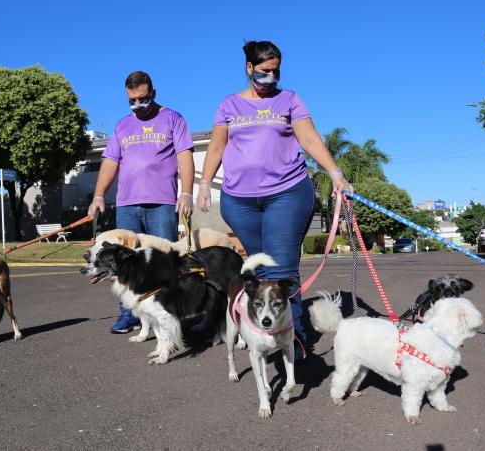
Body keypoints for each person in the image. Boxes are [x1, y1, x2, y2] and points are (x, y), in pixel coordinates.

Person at [196, 41, 352, 360]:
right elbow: (215, 147)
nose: (272, 77)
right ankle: (266, 332)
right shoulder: (229, 105)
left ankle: (293, 338)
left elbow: (308, 137)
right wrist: (203, 185)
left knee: (280, 268)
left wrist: (334, 172)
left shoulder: (289, 100)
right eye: (265, 71)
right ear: (249, 68)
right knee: (260, 270)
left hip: (287, 193)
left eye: (276, 71)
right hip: (239, 201)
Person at [89, 70, 194, 333]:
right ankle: (129, 314)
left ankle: (169, 315)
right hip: (127, 205)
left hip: (161, 204)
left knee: (163, 263)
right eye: (132, 100)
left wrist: (187, 192)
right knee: (124, 264)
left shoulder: (173, 118)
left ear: (153, 93)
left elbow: (184, 156)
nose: (138, 105)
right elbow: (110, 162)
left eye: (143, 98)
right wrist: (99, 195)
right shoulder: (123, 126)